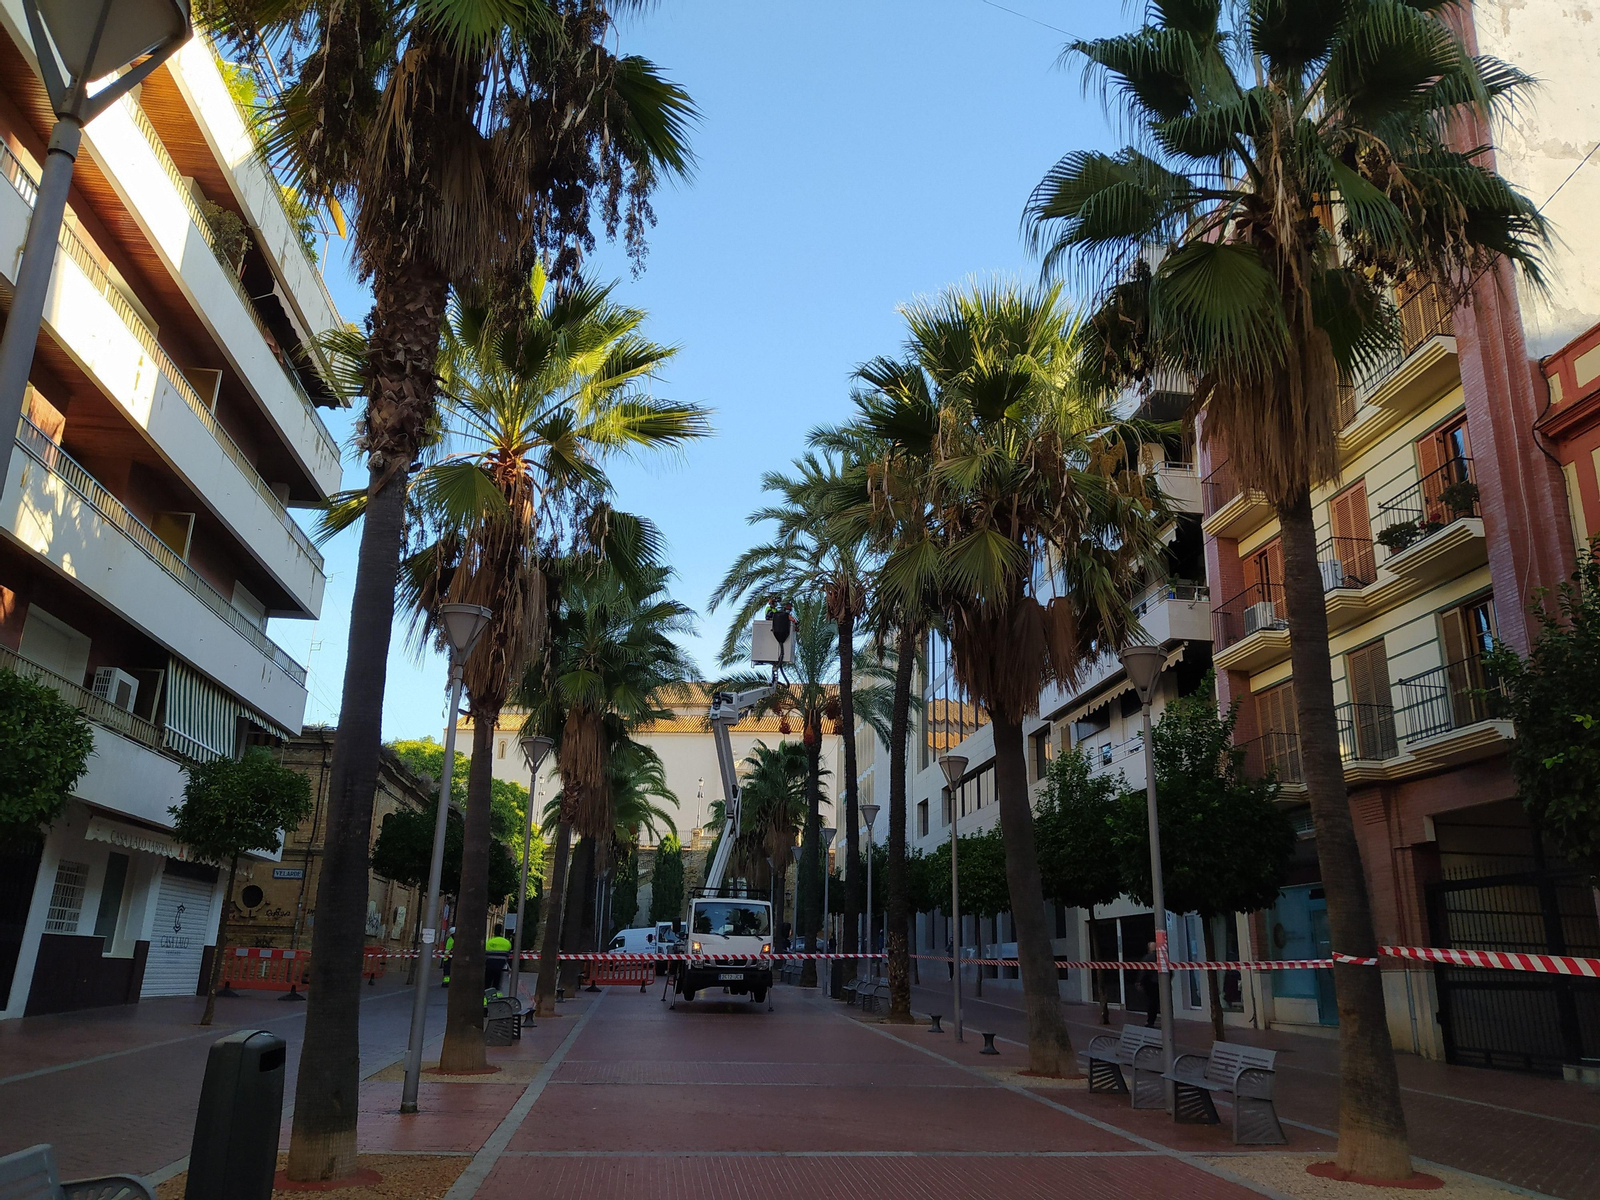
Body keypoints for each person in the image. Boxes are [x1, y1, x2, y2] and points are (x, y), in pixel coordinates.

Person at [1139, 940, 1161, 1028]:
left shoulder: (1147, 958)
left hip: (1150, 984)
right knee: (1162, 1002)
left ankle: (1150, 1021)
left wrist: (1140, 982)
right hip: (1160, 983)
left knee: (1151, 1003)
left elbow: (1143, 972)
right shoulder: (1163, 957)